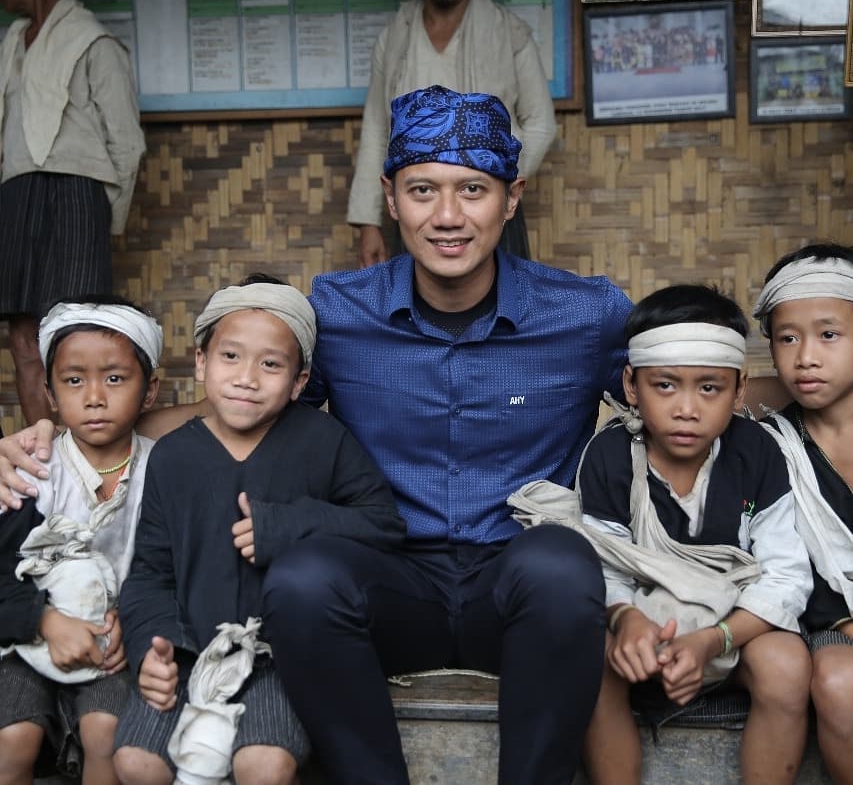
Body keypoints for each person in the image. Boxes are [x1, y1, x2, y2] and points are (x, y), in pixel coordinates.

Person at [0, 86, 631, 784]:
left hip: (519, 587)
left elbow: (696, 385)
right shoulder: (336, 312)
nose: (447, 216)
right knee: (302, 578)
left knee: (559, 561)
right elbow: (240, 405)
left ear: (510, 198)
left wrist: (775, 402)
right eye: (422, 190)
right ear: (390, 199)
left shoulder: (585, 313)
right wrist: (55, 438)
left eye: (472, 190)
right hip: (392, 581)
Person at [112, 276, 406, 785]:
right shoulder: (173, 458)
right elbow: (148, 573)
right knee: (135, 763)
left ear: (299, 381)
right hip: (187, 653)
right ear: (201, 361)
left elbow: (383, 525)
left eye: (270, 364)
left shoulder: (323, 441)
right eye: (230, 357)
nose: (247, 377)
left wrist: (292, 525)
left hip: (281, 662)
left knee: (264, 765)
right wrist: (149, 650)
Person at [574, 284, 813, 785]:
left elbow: (786, 575)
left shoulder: (758, 453)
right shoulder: (610, 456)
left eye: (709, 388)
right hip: (642, 629)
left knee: (788, 666)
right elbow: (603, 566)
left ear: (739, 389)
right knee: (587, 659)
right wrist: (626, 621)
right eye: (665, 386)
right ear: (632, 385)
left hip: (733, 630)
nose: (687, 408)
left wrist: (714, 640)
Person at [0, 296, 162, 785]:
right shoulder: (31, 474)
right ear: (49, 395)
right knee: (12, 737)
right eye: (74, 380)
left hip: (114, 645)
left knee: (106, 732)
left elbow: (173, 564)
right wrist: (43, 621)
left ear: (149, 391)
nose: (94, 396)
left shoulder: (166, 470)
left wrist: (133, 624)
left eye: (114, 378)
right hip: (24, 638)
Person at [0, 0, 146, 424]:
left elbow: (127, 143)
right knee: (22, 335)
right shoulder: (11, 44)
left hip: (77, 192)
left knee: (72, 333)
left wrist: (105, 218)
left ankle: (77, 463)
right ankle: (43, 464)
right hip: (17, 192)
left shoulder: (93, 41)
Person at [347, 0, 556, 267]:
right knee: (414, 312)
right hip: (419, 208)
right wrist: (369, 223)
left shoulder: (509, 32)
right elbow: (377, 130)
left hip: (489, 211)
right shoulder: (395, 36)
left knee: (505, 309)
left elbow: (541, 124)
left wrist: (494, 186)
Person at [752, 243, 853, 785]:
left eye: (828, 334)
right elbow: (778, 559)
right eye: (787, 338)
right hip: (827, 617)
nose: (805, 356)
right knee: (839, 679)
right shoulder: (772, 444)